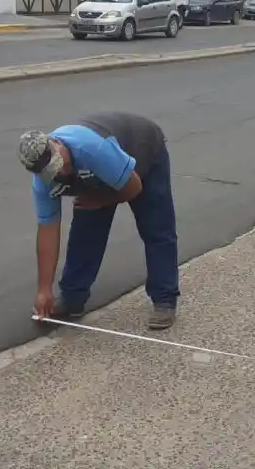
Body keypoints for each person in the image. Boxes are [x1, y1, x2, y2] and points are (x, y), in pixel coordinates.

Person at [18, 112, 180, 331]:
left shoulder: (92, 149)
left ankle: (165, 299)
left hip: (142, 154)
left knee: (156, 228)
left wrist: (102, 199)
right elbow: (48, 231)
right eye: (53, 173)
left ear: (56, 143)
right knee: (85, 234)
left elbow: (134, 187)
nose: (62, 172)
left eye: (59, 164)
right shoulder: (43, 182)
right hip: (95, 177)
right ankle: (73, 299)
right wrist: (43, 290)